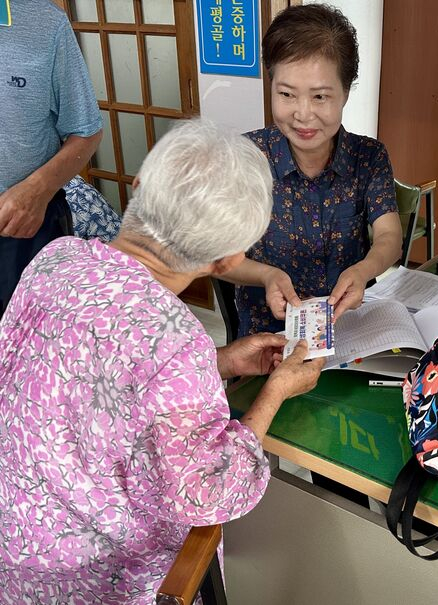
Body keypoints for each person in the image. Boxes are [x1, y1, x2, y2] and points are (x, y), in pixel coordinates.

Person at [0, 119, 325, 603]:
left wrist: (220, 363)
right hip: (99, 583)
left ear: (137, 186)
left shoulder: (56, 259)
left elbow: (99, 381)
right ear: (226, 261)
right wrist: (276, 390)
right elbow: (207, 493)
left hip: (15, 553)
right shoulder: (175, 340)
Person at [222, 3, 403, 336]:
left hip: (348, 329)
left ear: (345, 93)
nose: (303, 114)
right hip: (268, 341)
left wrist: (363, 271)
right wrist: (266, 275)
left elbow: (390, 237)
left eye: (320, 97)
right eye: (287, 94)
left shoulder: (368, 157)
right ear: (271, 85)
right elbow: (218, 256)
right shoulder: (245, 157)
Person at [0, 0, 103, 317]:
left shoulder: (46, 24)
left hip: (22, 226)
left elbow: (86, 131)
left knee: (39, 333)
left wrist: (37, 190)